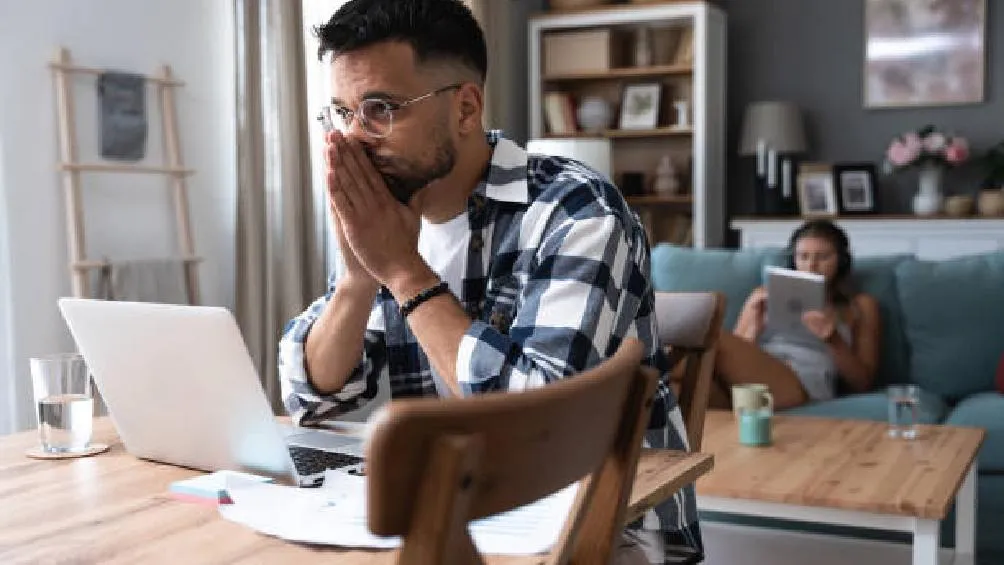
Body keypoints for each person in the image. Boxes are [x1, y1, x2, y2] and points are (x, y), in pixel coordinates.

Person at [276, 1, 701, 562]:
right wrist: (358, 279)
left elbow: (540, 429)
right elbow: (313, 398)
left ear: (466, 109)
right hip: (461, 508)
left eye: (379, 108)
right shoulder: (387, 212)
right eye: (341, 112)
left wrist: (403, 272)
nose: (354, 138)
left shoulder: (577, 213)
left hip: (597, 520)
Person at [712, 219, 881, 409]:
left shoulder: (860, 305)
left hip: (802, 383)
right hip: (753, 379)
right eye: (803, 256)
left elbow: (863, 383)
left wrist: (834, 340)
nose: (811, 265)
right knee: (682, 388)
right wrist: (753, 329)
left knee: (711, 337)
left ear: (841, 261)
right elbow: (732, 358)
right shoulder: (762, 295)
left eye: (823, 257)